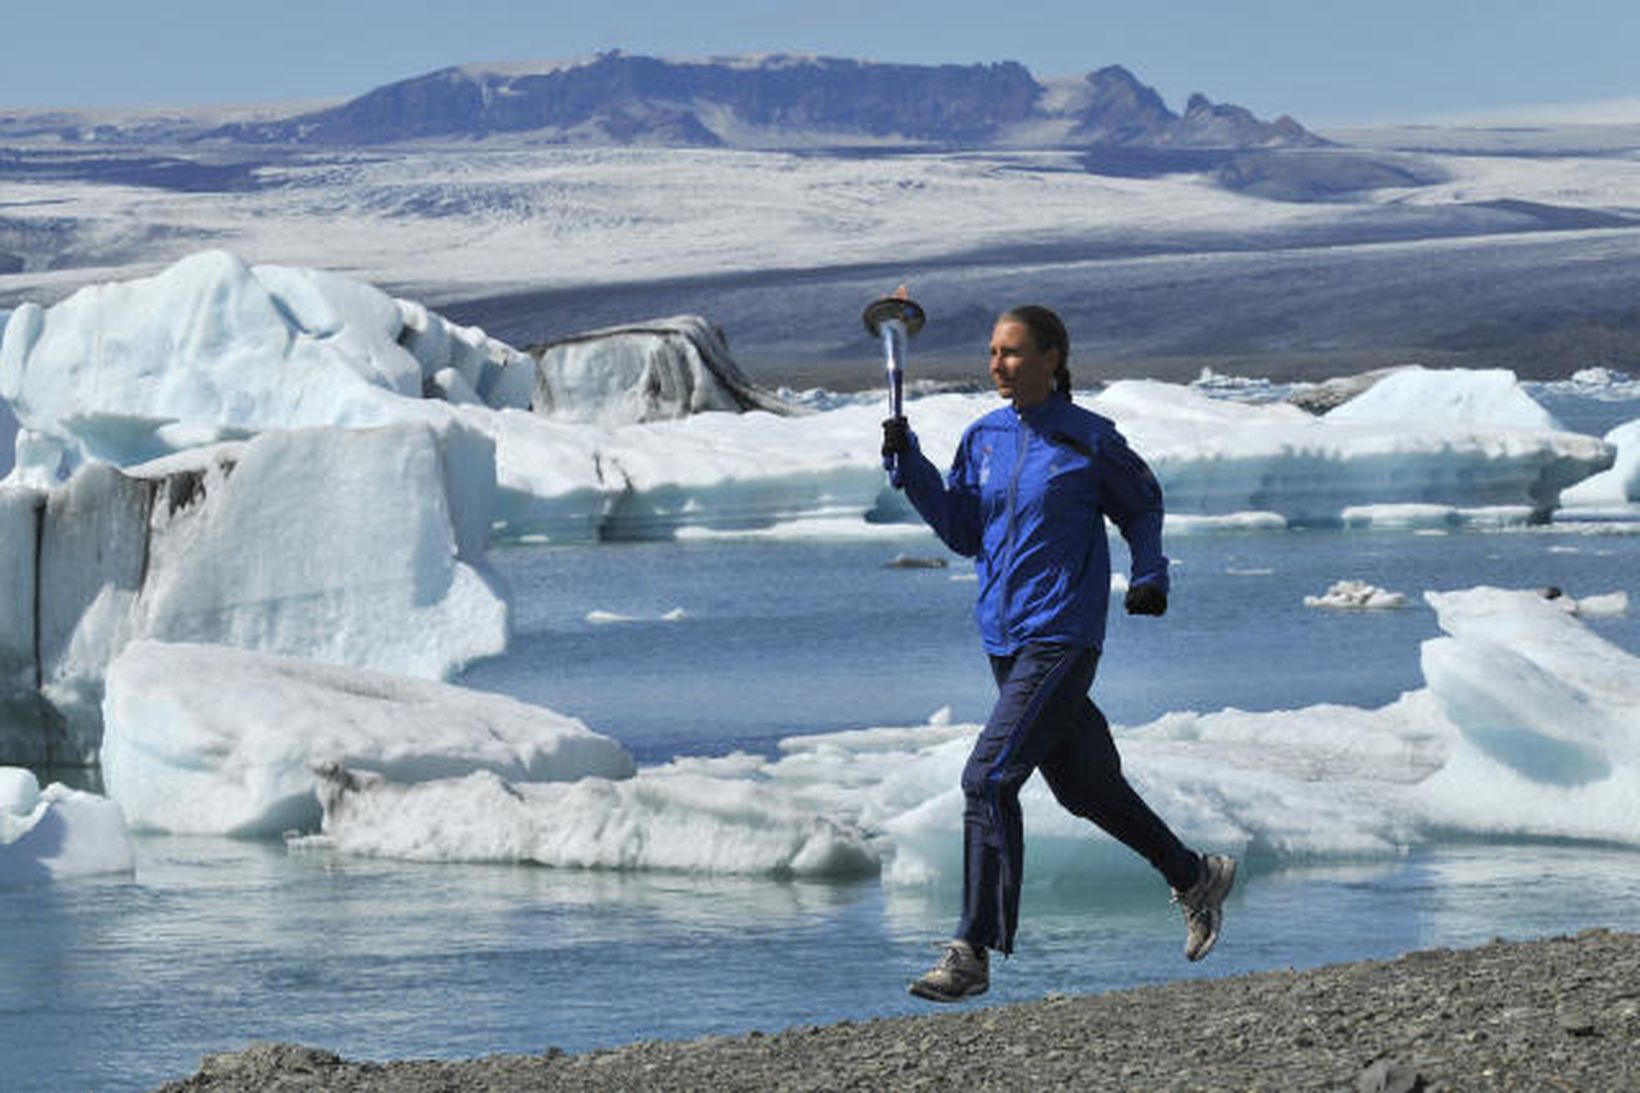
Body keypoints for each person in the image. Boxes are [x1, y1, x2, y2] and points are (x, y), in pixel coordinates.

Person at [880, 303, 1235, 1004]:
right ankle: (1194, 875)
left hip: (1064, 635)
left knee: (987, 779)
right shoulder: (982, 438)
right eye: (991, 353)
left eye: (1012, 352)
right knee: (1084, 786)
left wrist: (1152, 572)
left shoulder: (1089, 439)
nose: (997, 365)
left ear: (1052, 356)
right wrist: (910, 463)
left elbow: (1141, 505)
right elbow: (960, 531)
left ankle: (971, 948)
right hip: (1003, 637)